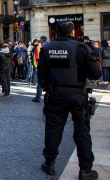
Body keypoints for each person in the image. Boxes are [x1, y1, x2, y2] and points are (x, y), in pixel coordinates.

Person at [38, 21, 101, 180]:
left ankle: (49, 163)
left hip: (56, 95)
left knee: (53, 129)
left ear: (56, 32)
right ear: (73, 33)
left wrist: (50, 87)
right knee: (82, 132)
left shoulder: (46, 48)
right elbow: (96, 74)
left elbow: (41, 77)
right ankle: (85, 169)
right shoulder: (81, 48)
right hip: (77, 95)